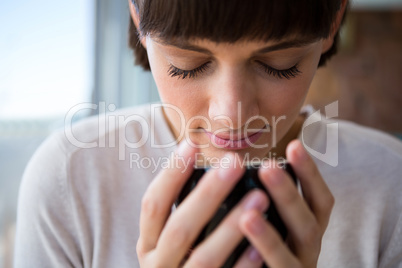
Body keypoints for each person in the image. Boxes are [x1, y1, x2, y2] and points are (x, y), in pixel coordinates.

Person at [13, 0, 402, 267]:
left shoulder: (388, 183)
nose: (231, 115)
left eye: (280, 63)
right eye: (188, 64)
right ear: (136, 14)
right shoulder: (70, 178)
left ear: (332, 23)